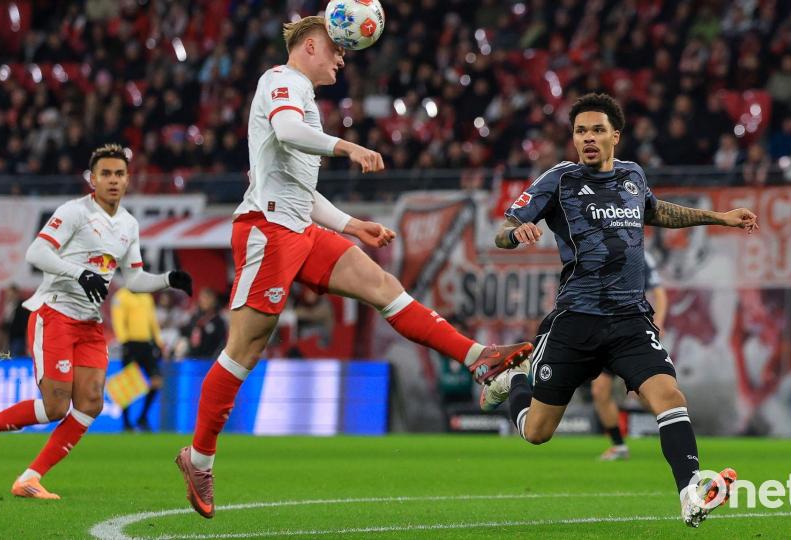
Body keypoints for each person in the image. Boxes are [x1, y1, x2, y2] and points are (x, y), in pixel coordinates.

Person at [174, 17, 533, 519]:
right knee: (244, 349)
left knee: (382, 285)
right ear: (311, 46)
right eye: (338, 51)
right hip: (268, 230)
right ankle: (200, 456)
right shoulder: (281, 81)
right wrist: (348, 148)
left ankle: (478, 358)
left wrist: (351, 224)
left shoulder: (305, 99)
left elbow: (301, 187)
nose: (342, 60)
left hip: (300, 226)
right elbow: (285, 130)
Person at [482, 93, 758, 527]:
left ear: (615, 135)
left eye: (596, 130)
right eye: (580, 131)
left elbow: (658, 211)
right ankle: (515, 379)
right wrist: (516, 236)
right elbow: (503, 231)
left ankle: (690, 491)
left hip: (630, 319)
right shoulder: (558, 179)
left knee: (669, 396)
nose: (587, 139)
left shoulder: (633, 176)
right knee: (536, 432)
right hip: (576, 320)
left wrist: (719, 218)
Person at [0, 144, 193, 499]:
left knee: (92, 402)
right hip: (55, 315)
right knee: (55, 407)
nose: (113, 180)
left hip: (89, 324)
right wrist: (80, 273)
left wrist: (168, 279)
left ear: (128, 180)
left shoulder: (128, 225)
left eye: (119, 174)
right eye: (106, 174)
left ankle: (29, 478)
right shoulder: (75, 212)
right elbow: (36, 252)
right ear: (92, 179)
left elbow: (135, 278)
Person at [591, 250, 667, 461]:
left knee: (646, 394)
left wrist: (657, 323)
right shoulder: (597, 251)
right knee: (599, 390)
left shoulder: (641, 255)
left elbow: (659, 294)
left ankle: (675, 426)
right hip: (607, 333)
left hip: (634, 333)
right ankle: (618, 446)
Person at [111, 285, 165, 432]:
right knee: (127, 386)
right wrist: (124, 341)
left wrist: (159, 342)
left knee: (156, 381)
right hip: (131, 345)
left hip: (146, 345)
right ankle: (126, 423)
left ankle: (142, 416)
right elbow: (118, 321)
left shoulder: (146, 296)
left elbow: (152, 321)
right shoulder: (121, 297)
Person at [184, 288, 227, 359]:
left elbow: (222, 342)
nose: (204, 301)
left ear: (214, 301)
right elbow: (187, 334)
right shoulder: (195, 317)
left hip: (210, 359)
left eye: (207, 298)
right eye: (202, 298)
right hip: (193, 358)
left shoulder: (218, 320)